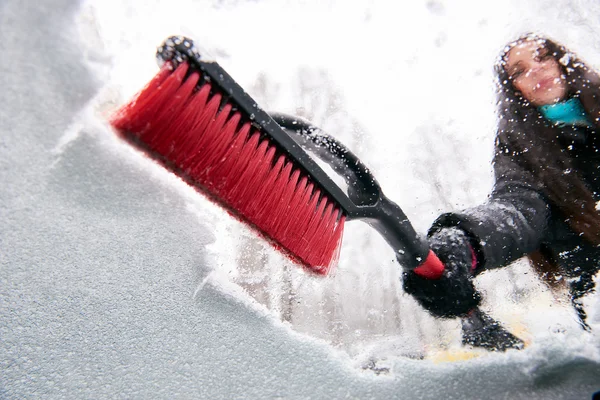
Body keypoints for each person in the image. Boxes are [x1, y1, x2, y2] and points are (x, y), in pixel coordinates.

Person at [403, 33, 600, 351]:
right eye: (519, 71)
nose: (536, 70)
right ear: (514, 90)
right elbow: (515, 209)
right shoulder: (520, 149)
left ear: (562, 60)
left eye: (542, 57)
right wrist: (464, 244)